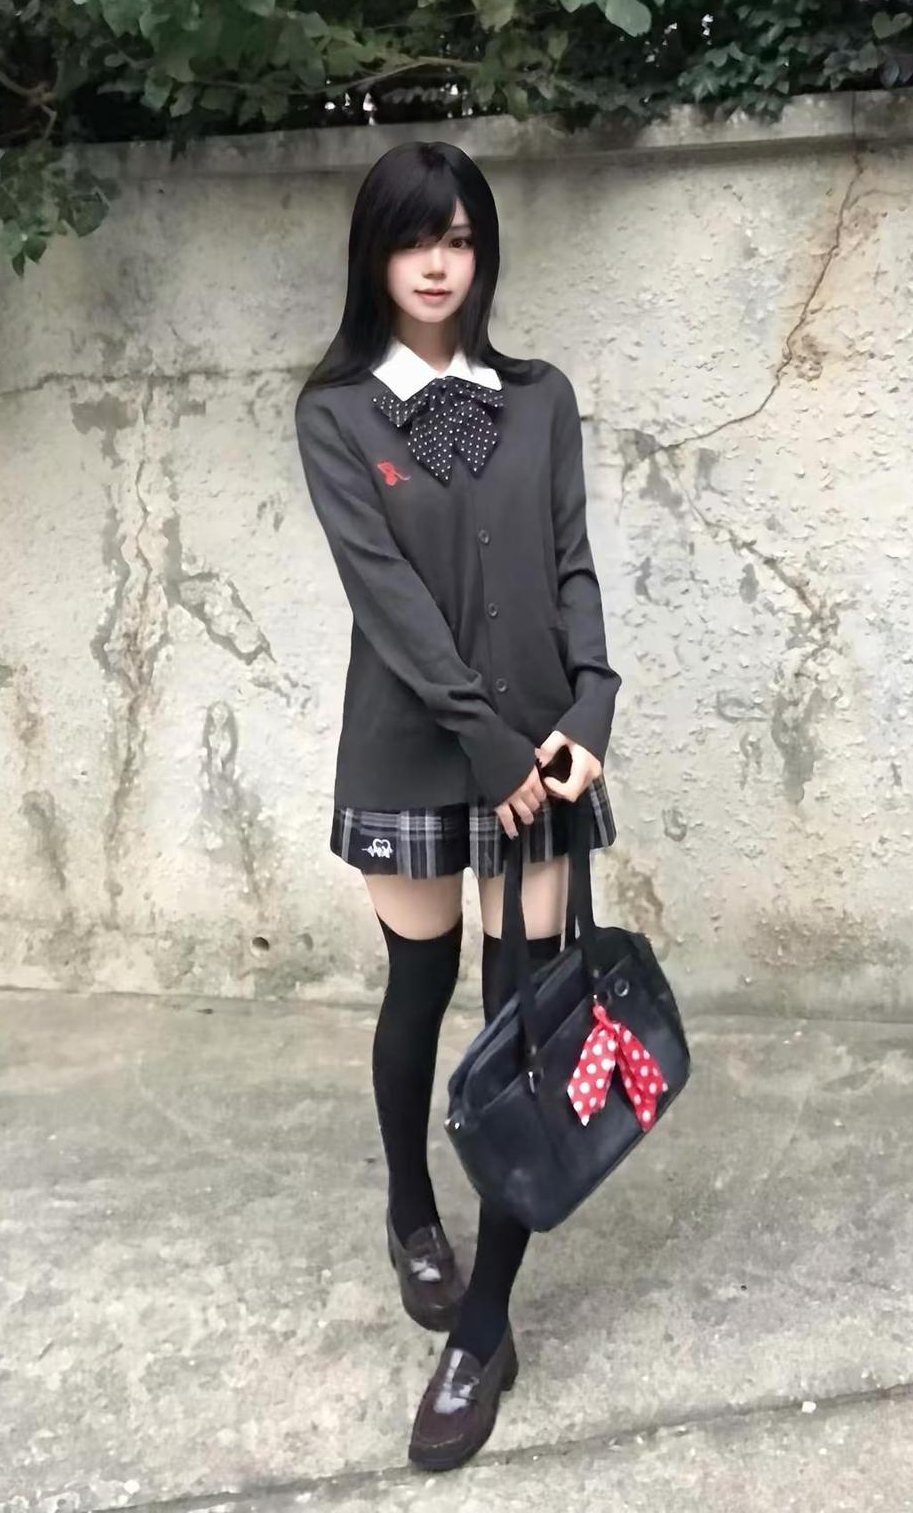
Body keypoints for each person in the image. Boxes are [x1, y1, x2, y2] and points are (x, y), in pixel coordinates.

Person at [293, 138, 621, 1472]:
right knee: (419, 993)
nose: (438, 264)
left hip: (543, 752)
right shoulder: (338, 413)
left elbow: (571, 562)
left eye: (461, 239)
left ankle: (483, 1328)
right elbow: (391, 605)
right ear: (375, 256)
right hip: (415, 750)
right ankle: (407, 1207)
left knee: (523, 1032)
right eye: (413, 239)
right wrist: (488, 745)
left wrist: (591, 709)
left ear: (483, 252)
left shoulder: (540, 399)